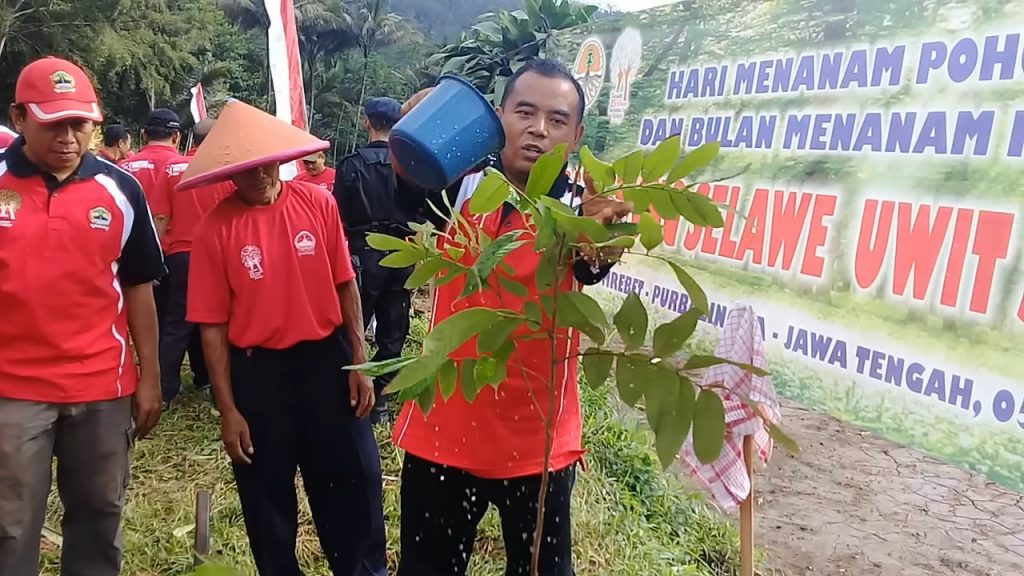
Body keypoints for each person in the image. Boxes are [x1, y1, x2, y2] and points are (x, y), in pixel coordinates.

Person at [392, 59, 632, 576]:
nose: (538, 130)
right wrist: (411, 135)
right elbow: (407, 191)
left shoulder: (580, 208)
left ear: (577, 134)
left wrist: (602, 241)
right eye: (524, 112)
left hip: (538, 446)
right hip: (444, 431)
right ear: (498, 115)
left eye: (557, 119)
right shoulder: (459, 185)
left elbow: (592, 265)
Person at [184, 100, 386, 576]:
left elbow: (344, 283)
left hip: (327, 362)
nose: (258, 175)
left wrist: (359, 361)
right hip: (259, 373)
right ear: (229, 173)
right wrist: (228, 408)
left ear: (279, 157)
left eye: (265, 163)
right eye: (245, 168)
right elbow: (211, 326)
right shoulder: (217, 228)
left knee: (352, 479)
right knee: (266, 494)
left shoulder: (317, 203)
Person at [0, 56, 164, 576]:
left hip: (101, 387)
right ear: (19, 117)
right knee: (9, 524)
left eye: (81, 123)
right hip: (12, 388)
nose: (69, 136)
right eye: (54, 123)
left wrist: (151, 380)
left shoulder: (121, 190)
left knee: (99, 516)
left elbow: (139, 290)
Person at [334, 96, 422, 423]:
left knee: (355, 325)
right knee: (394, 326)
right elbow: (422, 211)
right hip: (402, 251)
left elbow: (337, 212)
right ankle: (382, 399)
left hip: (362, 252)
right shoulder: (411, 166)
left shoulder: (351, 164)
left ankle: (350, 389)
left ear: (367, 122)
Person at [152, 118, 235, 405]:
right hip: (218, 258)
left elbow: (161, 217)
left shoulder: (172, 169)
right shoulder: (226, 170)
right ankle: (215, 384)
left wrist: (156, 257)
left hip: (180, 257)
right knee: (220, 322)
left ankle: (163, 391)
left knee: (176, 325)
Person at [120, 108, 182, 236]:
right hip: (173, 248)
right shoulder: (186, 168)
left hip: (132, 246)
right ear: (176, 136)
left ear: (144, 135)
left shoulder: (124, 168)